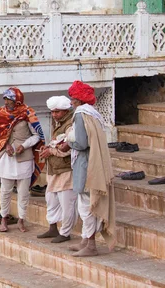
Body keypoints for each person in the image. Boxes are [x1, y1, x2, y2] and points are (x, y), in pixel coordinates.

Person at [59, 80, 116, 257]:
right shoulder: (92, 113)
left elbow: (82, 143)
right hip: (89, 162)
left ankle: (91, 245)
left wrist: (67, 143)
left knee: (86, 205)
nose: (71, 101)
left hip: (85, 165)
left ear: (78, 99)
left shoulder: (80, 114)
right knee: (85, 203)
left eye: (73, 98)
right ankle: (85, 240)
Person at [0, 87, 45, 233]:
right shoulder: (0, 113)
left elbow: (37, 136)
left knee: (23, 192)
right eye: (6, 99)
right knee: (5, 191)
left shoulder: (28, 113)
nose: (7, 102)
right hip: (7, 158)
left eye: (10, 100)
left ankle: (21, 219)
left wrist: (24, 145)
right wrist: (5, 145)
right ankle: (4, 218)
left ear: (17, 101)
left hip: (24, 158)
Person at [37, 96, 78, 243]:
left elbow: (69, 147)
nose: (54, 114)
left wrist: (51, 151)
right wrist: (48, 148)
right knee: (51, 199)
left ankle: (65, 232)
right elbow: (57, 143)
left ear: (65, 110)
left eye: (57, 112)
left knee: (67, 203)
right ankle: (53, 228)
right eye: (53, 112)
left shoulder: (70, 125)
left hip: (66, 170)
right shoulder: (59, 123)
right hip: (54, 169)